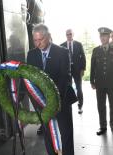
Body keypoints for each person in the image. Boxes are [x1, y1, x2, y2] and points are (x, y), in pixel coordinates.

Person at [27, 23, 74, 155]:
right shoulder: (31, 54)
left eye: (40, 39)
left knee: (66, 133)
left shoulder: (62, 52)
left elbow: (65, 78)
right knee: (48, 134)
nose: (38, 43)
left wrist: (54, 100)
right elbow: (30, 80)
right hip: (42, 103)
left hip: (62, 100)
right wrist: (39, 102)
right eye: (35, 40)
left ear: (49, 36)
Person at [90, 27, 113, 138]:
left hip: (112, 83)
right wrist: (92, 80)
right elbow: (93, 67)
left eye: (105, 36)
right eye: (101, 36)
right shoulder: (96, 50)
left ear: (109, 36)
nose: (102, 38)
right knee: (100, 105)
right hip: (99, 83)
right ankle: (103, 126)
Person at [61, 29, 86, 114]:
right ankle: (68, 105)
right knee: (68, 87)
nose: (69, 36)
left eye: (70, 34)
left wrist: (83, 69)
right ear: (66, 35)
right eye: (67, 34)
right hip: (67, 70)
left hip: (77, 69)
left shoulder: (78, 44)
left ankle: (80, 106)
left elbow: (83, 57)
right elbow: (60, 59)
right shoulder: (62, 45)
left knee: (79, 87)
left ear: (73, 34)